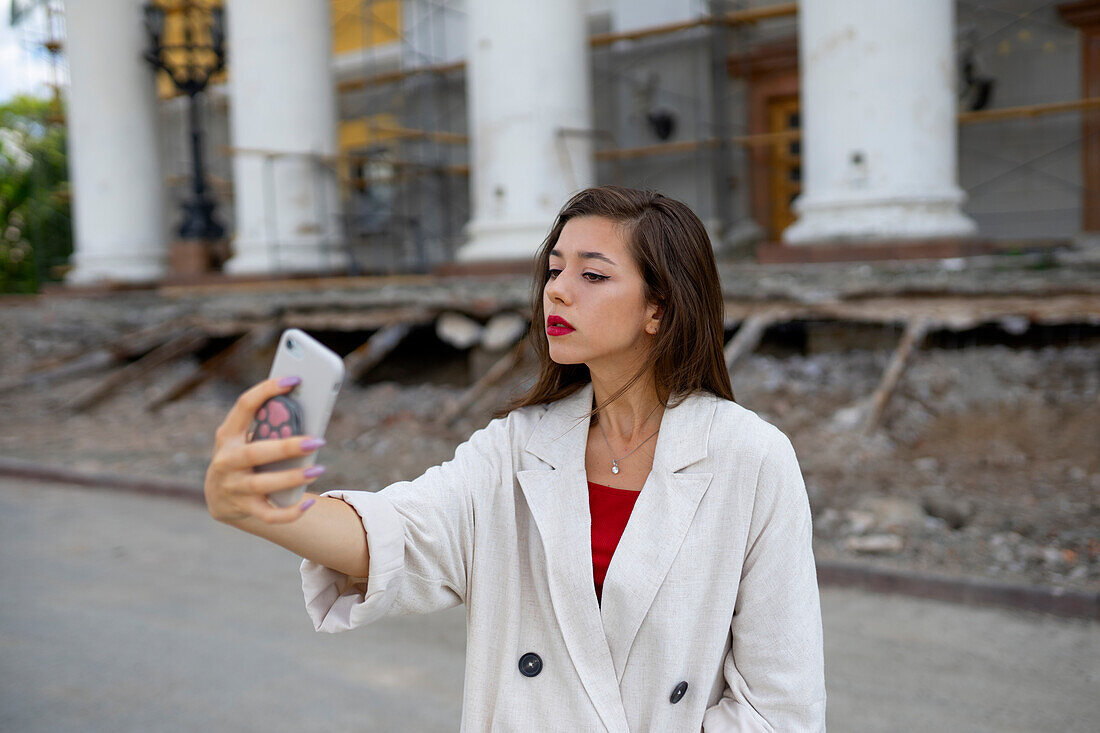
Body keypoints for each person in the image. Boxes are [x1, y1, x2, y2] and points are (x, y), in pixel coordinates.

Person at [204, 185, 827, 731]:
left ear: (658, 309)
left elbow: (779, 707)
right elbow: (406, 533)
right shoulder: (516, 448)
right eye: (554, 270)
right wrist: (267, 509)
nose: (556, 291)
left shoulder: (750, 458)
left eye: (593, 274)